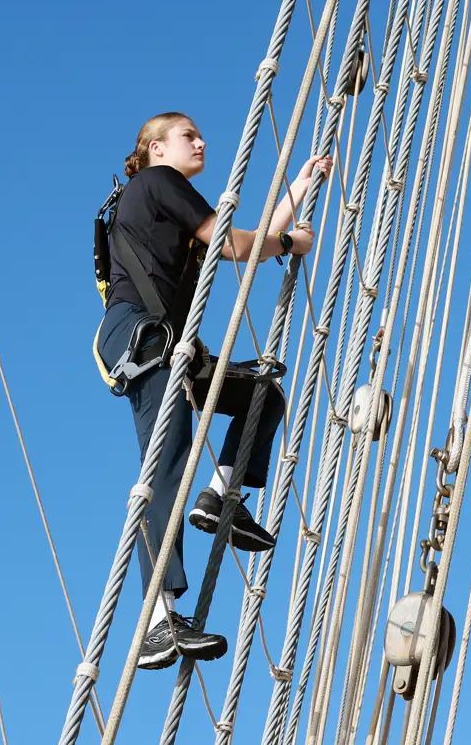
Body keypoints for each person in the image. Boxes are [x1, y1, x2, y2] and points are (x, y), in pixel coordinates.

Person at [96, 112, 332, 670]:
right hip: (145, 339)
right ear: (155, 148)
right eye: (187, 135)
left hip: (173, 344)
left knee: (260, 398)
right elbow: (243, 246)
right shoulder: (159, 184)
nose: (202, 141)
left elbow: (248, 241)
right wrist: (292, 244)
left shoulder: (170, 206)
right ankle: (158, 622)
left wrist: (300, 186)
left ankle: (222, 495)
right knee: (168, 462)